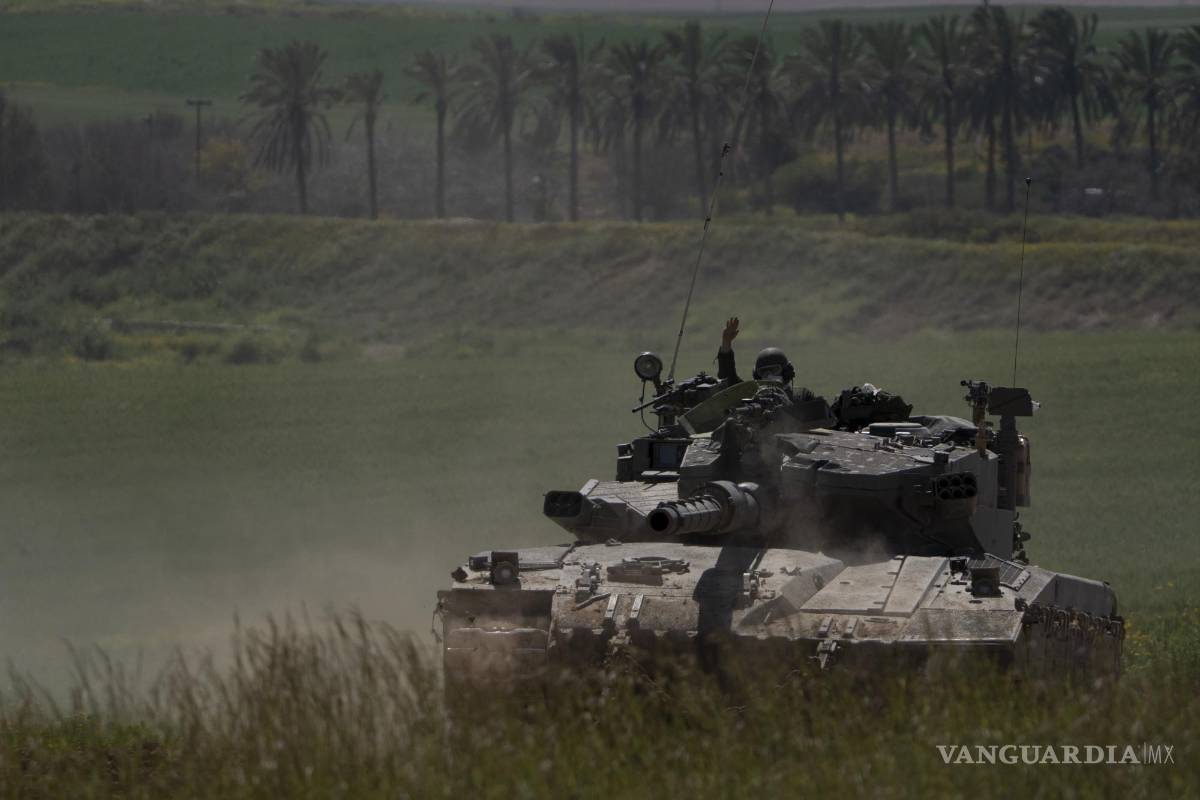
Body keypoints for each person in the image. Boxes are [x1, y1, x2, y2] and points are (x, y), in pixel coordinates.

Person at [717, 316, 816, 403]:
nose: (769, 375)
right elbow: (728, 378)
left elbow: (826, 419)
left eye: (774, 370)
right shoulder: (751, 397)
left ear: (786, 372)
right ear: (757, 376)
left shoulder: (802, 396)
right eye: (763, 372)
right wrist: (726, 343)